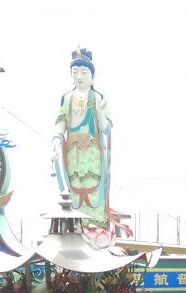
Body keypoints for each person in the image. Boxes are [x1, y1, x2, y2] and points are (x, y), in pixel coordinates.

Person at [52, 48, 112, 227]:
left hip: (92, 152)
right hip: (72, 152)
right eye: (75, 72)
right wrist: (56, 140)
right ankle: (76, 225)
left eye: (84, 72)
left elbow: (106, 129)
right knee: (74, 185)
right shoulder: (67, 98)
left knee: (93, 184)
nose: (79, 76)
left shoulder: (97, 98)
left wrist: (100, 112)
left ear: (92, 75)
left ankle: (95, 224)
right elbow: (61, 124)